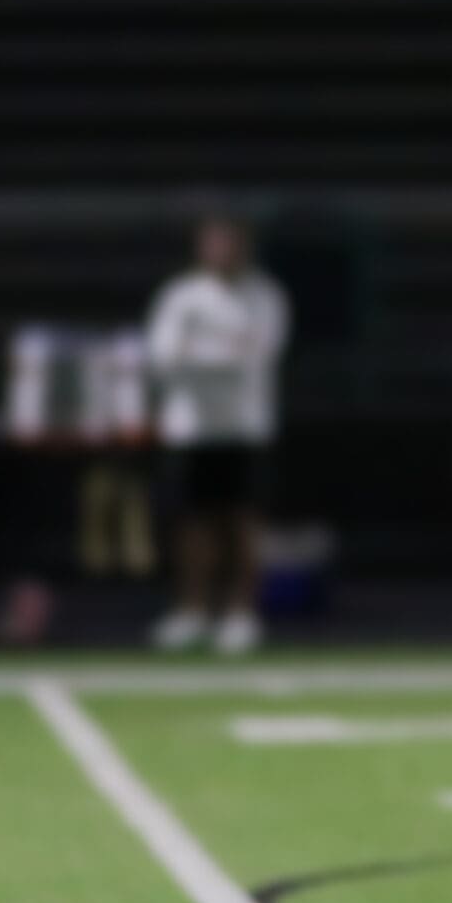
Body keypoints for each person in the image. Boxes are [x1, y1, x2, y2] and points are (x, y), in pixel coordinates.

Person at [144, 216, 289, 654]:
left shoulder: (265, 296)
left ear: (242, 248)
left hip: (246, 429)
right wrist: (220, 351)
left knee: (243, 523)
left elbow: (256, 356)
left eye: (228, 244)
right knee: (192, 523)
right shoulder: (180, 296)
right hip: (190, 429)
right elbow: (162, 357)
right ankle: (192, 611)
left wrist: (197, 352)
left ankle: (241, 613)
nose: (220, 252)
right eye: (213, 244)